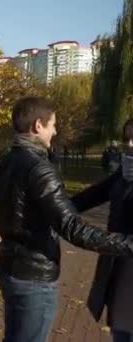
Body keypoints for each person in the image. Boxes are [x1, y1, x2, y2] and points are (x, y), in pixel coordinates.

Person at [0, 96, 133, 342]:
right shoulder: (38, 166)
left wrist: (59, 207)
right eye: (53, 125)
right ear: (38, 125)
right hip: (34, 272)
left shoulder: (7, 159)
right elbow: (73, 225)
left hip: (11, 264)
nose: (55, 131)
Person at [72, 119, 133, 342]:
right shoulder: (124, 173)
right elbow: (95, 194)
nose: (131, 144)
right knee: (120, 327)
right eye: (127, 138)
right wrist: (57, 209)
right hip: (119, 263)